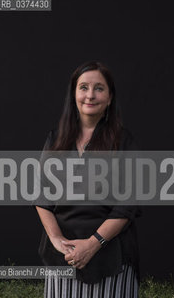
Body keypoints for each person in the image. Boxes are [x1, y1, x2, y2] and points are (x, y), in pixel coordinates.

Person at [35, 61, 141, 298]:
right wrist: (56, 239)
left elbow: (128, 204)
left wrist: (93, 244)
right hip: (63, 255)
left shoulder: (124, 142)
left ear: (110, 97)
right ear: (74, 95)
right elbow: (41, 195)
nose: (90, 95)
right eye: (83, 87)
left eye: (99, 88)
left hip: (111, 254)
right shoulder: (55, 140)